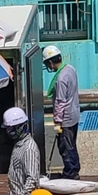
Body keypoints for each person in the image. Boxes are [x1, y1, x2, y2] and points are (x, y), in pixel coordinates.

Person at [43, 45, 81, 180]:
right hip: (74, 114)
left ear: (51, 62)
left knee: (66, 148)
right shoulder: (70, 69)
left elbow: (60, 101)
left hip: (66, 118)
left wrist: (58, 121)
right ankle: (74, 170)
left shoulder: (61, 79)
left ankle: (71, 174)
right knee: (71, 145)